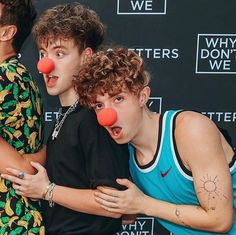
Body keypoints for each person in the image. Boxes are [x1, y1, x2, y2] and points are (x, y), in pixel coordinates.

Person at [73, 47, 235, 235]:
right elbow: (127, 216)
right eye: (99, 105)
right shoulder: (124, 151)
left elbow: (220, 220)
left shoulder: (190, 130)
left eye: (118, 98)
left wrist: (143, 203)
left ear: (142, 96)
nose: (107, 115)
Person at [1, 3, 130, 235]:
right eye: (43, 53)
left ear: (86, 57)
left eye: (60, 53)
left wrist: (47, 191)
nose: (45, 65)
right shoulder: (68, 116)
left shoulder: (93, 118)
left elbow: (115, 206)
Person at [0, 1, 45, 234]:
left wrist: (33, 161)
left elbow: (23, 170)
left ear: (6, 32)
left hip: (11, 222)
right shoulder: (20, 74)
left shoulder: (5, 77)